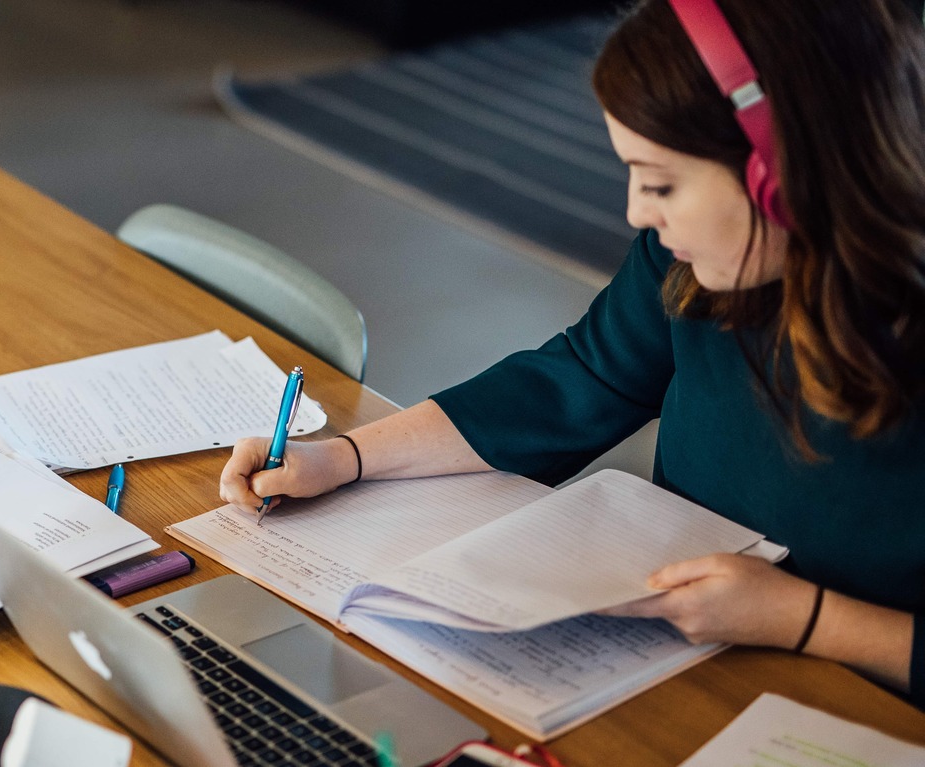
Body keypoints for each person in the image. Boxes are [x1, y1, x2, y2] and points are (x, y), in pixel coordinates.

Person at [219, 0, 925, 704]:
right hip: (682, 663)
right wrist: (345, 457)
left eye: (661, 182)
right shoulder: (691, 261)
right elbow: (575, 382)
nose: (637, 212)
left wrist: (804, 617)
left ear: (779, 171)